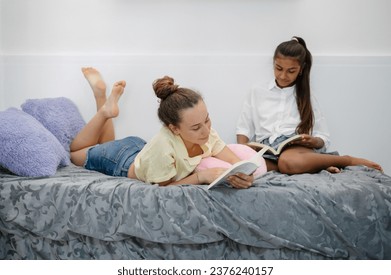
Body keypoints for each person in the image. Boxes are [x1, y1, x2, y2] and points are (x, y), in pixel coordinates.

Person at [70, 67, 257, 188]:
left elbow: (236, 162)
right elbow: (165, 188)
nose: (206, 131)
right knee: (74, 152)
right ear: (174, 128)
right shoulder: (164, 147)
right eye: (196, 127)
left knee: (104, 143)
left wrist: (243, 174)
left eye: (207, 120)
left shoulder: (206, 133)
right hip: (120, 160)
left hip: (141, 150)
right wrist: (202, 176)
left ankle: (104, 103)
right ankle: (103, 105)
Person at [236, 36, 383, 174]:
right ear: (273, 63)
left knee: (288, 161)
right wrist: (244, 149)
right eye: (278, 68)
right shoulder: (257, 92)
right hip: (266, 150)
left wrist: (314, 141)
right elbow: (243, 128)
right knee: (245, 166)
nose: (282, 76)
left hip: (293, 148)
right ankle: (314, 166)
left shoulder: (306, 96)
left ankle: (346, 160)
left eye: (291, 71)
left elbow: (323, 137)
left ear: (301, 69)